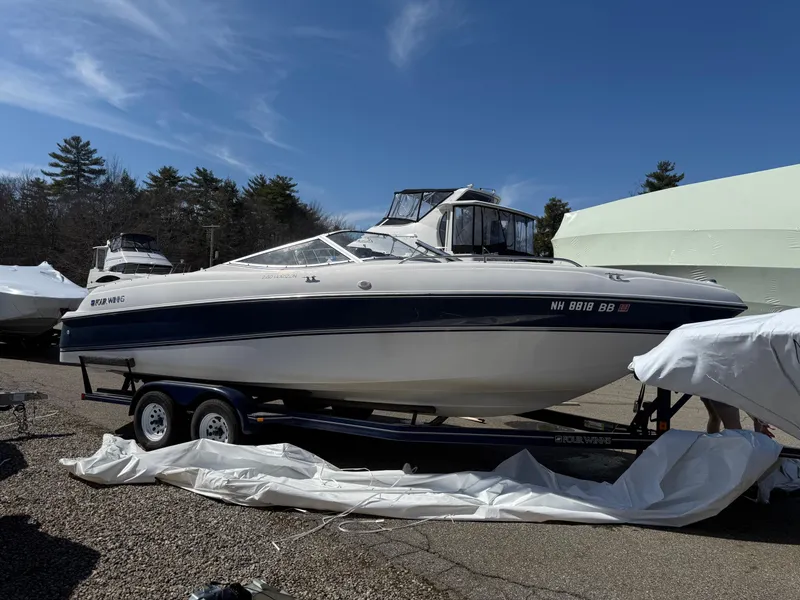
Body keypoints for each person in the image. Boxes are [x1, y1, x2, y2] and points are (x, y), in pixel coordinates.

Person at [701, 397, 775, 438]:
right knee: (736, 432)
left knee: (714, 417)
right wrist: (762, 422)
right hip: (725, 392)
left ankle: (712, 447)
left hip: (708, 384)